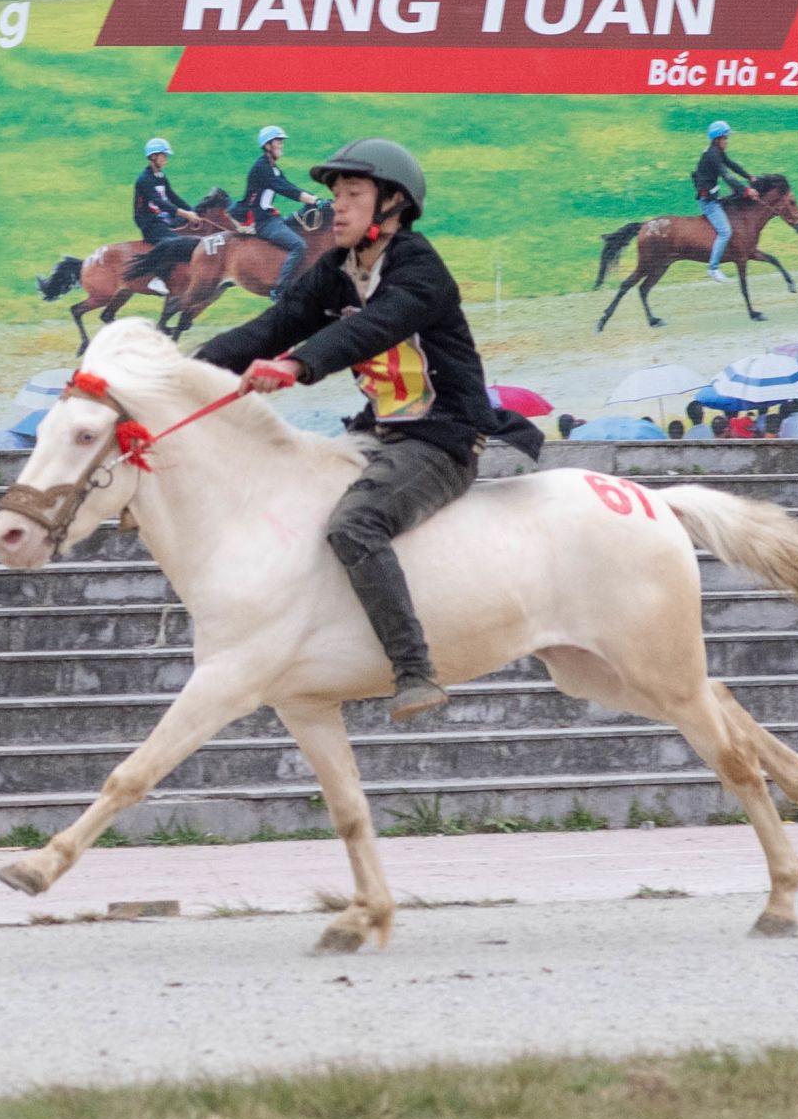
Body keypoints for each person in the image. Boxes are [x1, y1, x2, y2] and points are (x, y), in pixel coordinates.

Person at [189, 138, 543, 724]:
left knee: (356, 522)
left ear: (393, 204)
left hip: (441, 440)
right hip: (374, 434)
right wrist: (188, 373)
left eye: (354, 195)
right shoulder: (336, 270)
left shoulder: (419, 268)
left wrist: (299, 365)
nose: (338, 208)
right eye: (335, 197)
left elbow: (377, 326)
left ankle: (413, 670)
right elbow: (273, 325)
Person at [688, 118, 756, 282]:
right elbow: (727, 176)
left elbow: (731, 165)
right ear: (718, 139)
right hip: (708, 202)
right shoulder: (712, 156)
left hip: (714, 196)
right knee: (725, 232)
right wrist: (746, 190)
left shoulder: (716, 152)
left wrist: (749, 176)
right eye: (726, 138)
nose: (727, 141)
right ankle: (713, 268)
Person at [237, 125, 312, 261]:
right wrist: (312, 200)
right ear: (267, 146)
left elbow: (290, 185)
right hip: (262, 222)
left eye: (281, 142)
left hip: (271, 218)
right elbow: (284, 189)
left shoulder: (273, 168)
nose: (281, 146)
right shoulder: (262, 168)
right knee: (298, 245)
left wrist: (316, 198)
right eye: (278, 142)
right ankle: (283, 283)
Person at [132, 136, 202, 248]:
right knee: (178, 245)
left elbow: (173, 197)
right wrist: (186, 214)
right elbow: (160, 202)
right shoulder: (144, 179)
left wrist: (193, 211)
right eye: (163, 155)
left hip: (164, 218)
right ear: (153, 156)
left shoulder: (160, 176)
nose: (166, 159)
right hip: (151, 223)